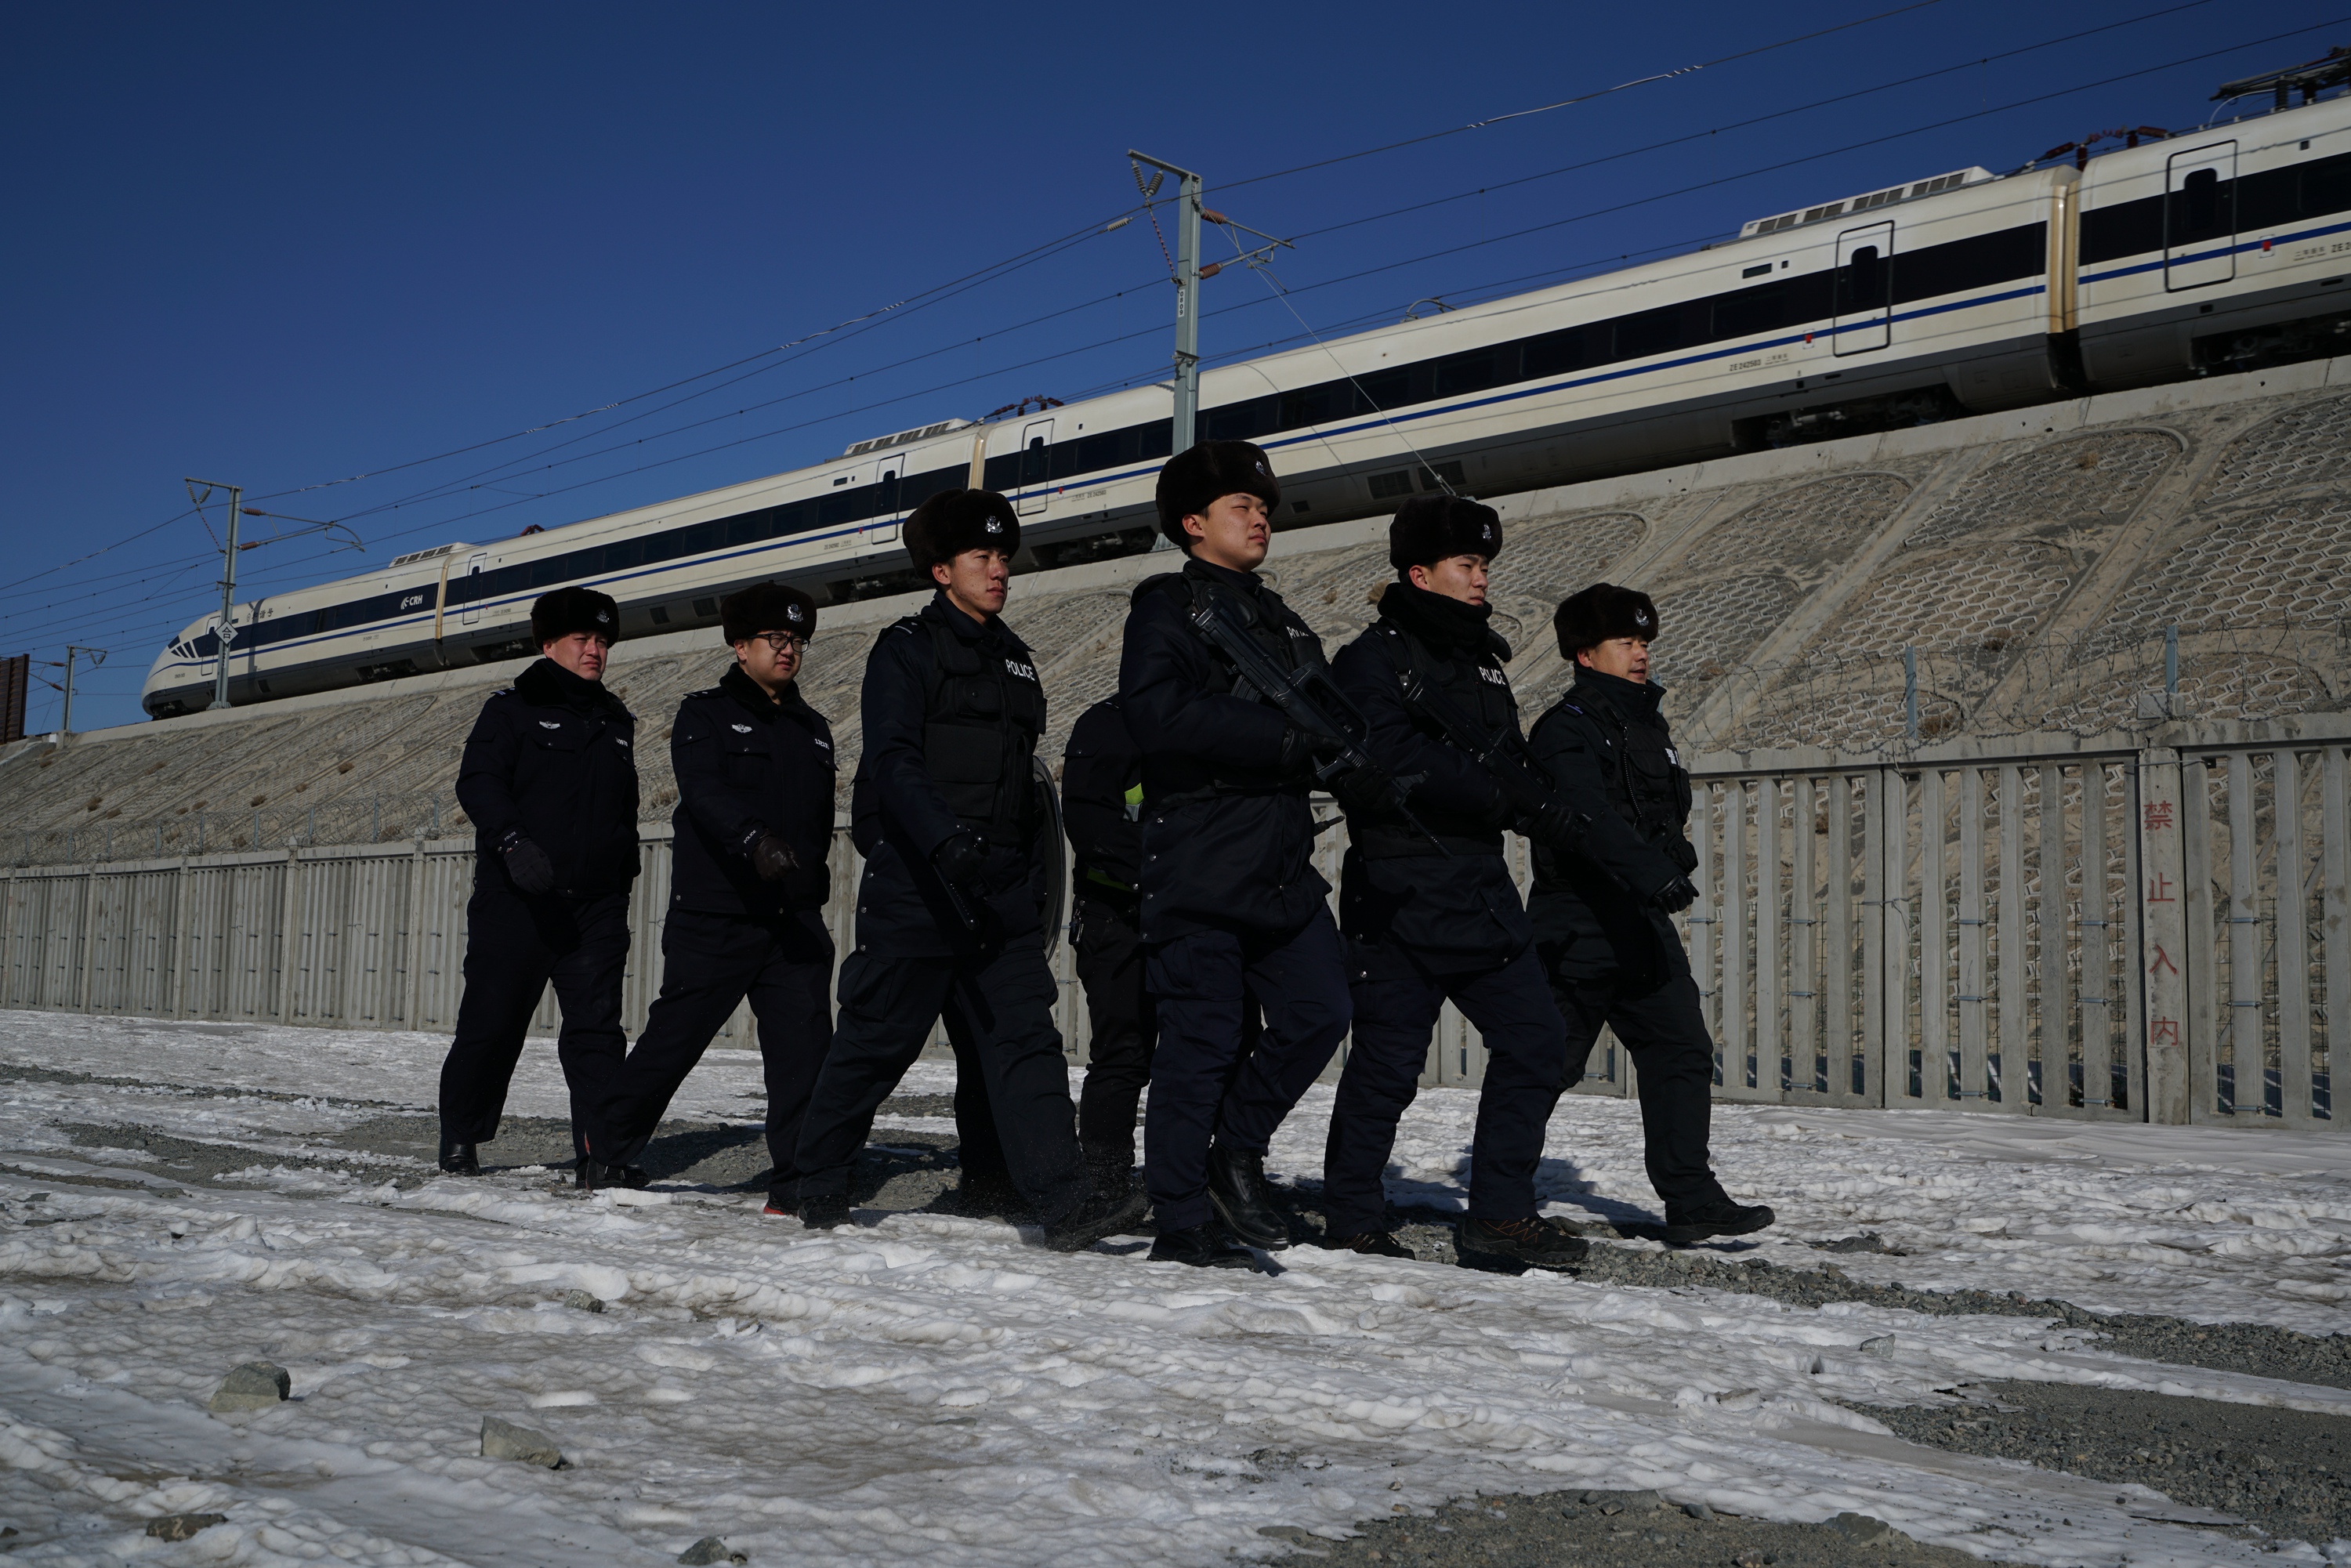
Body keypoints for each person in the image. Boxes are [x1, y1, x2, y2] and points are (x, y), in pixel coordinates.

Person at [791, 488, 1143, 1251]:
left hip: (1001, 891)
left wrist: (1031, 879)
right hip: (924, 885)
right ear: (941, 570)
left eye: (1004, 557)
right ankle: (815, 1181)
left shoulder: (1016, 659)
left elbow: (1025, 787)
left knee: (1025, 1043)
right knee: (877, 1043)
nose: (998, 570)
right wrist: (940, 840)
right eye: (981, 558)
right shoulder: (907, 649)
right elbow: (890, 761)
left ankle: (1063, 1200)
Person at [1119, 440, 1378, 1269]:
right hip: (1200, 855)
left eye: (1264, 507)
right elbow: (1157, 716)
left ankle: (1234, 1149)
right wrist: (1286, 738)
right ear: (1193, 525)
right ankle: (1181, 1222)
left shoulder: (1279, 616)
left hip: (1276, 859)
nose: (1261, 516)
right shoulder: (1167, 608)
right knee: (1200, 1042)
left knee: (1320, 1010)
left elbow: (1330, 718)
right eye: (1242, 507)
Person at [1321, 497, 1584, 1268]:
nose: (1481, 580)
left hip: (1477, 887)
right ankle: (1352, 1220)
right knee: (1385, 1068)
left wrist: (1550, 805)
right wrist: (1502, 797)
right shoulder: (1371, 660)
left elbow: (1504, 755)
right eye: (1467, 566)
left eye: (1484, 566)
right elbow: (1392, 758)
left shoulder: (1481, 658)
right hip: (1399, 889)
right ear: (1419, 573)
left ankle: (1499, 1218)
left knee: (1537, 1041)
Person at [1526, 584, 1776, 1244]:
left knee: (1681, 1050)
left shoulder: (1646, 726)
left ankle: (1691, 1197)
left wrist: (1672, 856)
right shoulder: (1564, 730)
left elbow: (1655, 814)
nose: (1641, 655)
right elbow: (1586, 817)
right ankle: (1500, 1193)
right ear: (1585, 653)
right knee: (1547, 1061)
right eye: (1626, 643)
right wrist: (1652, 871)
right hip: (1578, 922)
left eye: (1644, 643)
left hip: (1639, 921)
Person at [580, 582, 835, 1207]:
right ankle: (607, 1147)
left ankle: (796, 1182)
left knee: (804, 1053)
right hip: (719, 914)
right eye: (776, 638)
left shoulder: (814, 728)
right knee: (676, 1040)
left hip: (792, 920)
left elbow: (819, 818)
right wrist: (755, 840)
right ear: (740, 645)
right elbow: (705, 792)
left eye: (797, 639)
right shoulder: (705, 715)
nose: (789, 649)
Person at [437, 586, 638, 1179]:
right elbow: (478, 782)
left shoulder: (616, 717)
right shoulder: (511, 709)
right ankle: (461, 1137)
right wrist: (512, 842)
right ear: (548, 644)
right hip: (519, 899)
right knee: (492, 1024)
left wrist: (621, 877)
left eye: (603, 641)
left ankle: (600, 1153)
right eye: (583, 639)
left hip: (595, 906)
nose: (595, 651)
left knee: (598, 1032)